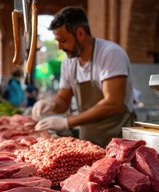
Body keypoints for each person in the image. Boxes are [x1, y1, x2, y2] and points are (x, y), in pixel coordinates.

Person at [32, 7, 136, 148]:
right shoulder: (69, 61)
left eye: (63, 40)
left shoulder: (110, 54)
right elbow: (63, 100)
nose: (59, 47)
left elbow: (113, 104)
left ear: (80, 33)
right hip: (89, 140)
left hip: (119, 140)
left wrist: (66, 122)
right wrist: (51, 104)